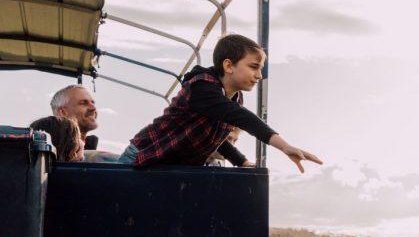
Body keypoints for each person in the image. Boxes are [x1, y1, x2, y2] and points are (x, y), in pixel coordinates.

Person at [117, 34, 322, 172]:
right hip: (142, 158)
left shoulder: (234, 96)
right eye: (253, 67)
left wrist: (241, 162)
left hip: (170, 166)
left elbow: (217, 138)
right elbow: (243, 119)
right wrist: (285, 147)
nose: (259, 75)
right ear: (228, 65)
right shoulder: (201, 87)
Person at [50, 84, 98, 149]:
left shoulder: (91, 151)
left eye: (93, 103)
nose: (93, 108)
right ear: (62, 112)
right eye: (83, 103)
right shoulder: (50, 152)